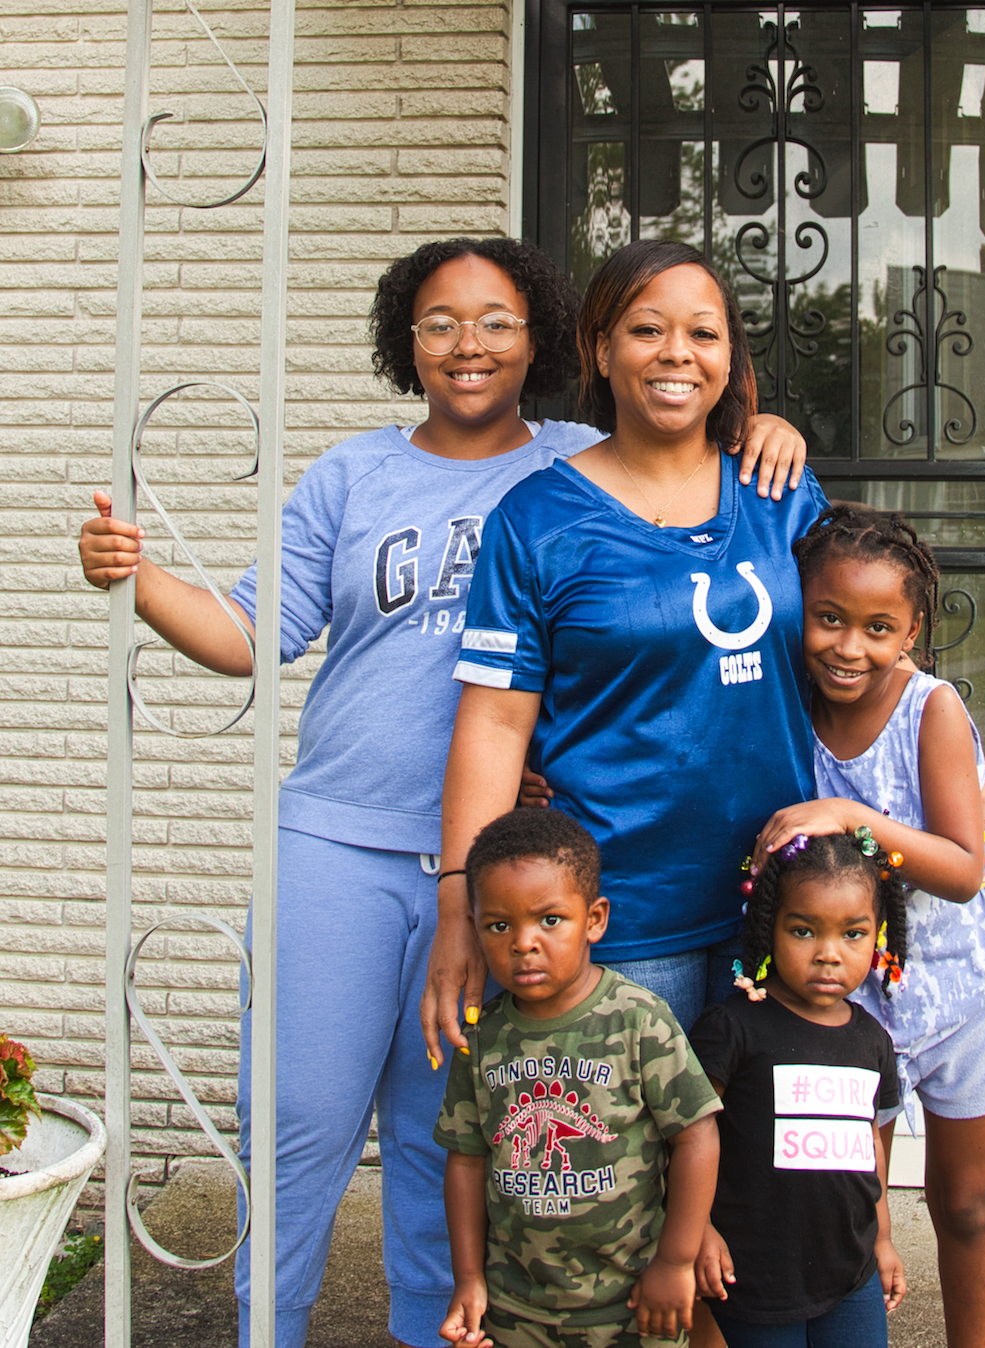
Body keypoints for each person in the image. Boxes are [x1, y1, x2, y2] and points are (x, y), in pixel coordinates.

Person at [76, 236, 805, 1348]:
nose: (469, 344)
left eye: (497, 321)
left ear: (549, 339)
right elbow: (248, 633)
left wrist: (767, 422)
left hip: (511, 875)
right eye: (439, 324)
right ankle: (265, 1330)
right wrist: (139, 579)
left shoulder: (575, 458)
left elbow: (686, 402)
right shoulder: (353, 476)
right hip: (345, 847)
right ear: (404, 343)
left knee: (451, 1143)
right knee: (301, 1126)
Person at [425, 238, 832, 1058]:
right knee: (612, 1178)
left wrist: (966, 777)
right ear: (600, 349)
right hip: (616, 919)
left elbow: (861, 662)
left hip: (780, 907)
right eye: (647, 330)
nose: (677, 353)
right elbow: (496, 725)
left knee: (764, 1181)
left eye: (703, 334)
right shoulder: (535, 520)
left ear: (729, 356)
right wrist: (461, 906)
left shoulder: (781, 493)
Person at [752, 503, 985, 1348]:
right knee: (844, 1208)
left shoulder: (932, 709)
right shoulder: (782, 699)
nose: (851, 647)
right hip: (844, 995)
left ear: (914, 629)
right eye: (830, 619)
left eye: (880, 628)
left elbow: (963, 870)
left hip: (965, 986)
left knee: (964, 1201)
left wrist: (852, 816)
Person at [436, 809, 722, 1348]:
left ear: (594, 919)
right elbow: (467, 1159)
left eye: (549, 920)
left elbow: (697, 1137)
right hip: (516, 1307)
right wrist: (469, 1278)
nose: (524, 942)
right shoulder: (482, 1039)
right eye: (500, 925)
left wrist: (676, 1260)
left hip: (635, 1304)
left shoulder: (641, 1020)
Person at [688, 832, 907, 1348]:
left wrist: (885, 1238)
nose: (829, 955)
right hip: (753, 1273)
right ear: (769, 927)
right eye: (804, 931)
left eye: (853, 934)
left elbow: (869, 1146)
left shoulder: (873, 1040)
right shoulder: (732, 1028)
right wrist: (697, 1230)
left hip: (849, 1271)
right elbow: (689, 1134)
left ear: (878, 936)